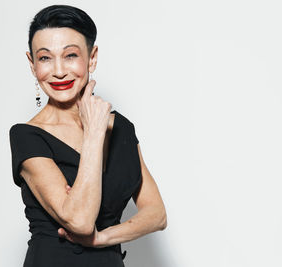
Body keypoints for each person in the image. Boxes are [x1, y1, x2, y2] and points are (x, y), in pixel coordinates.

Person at [9, 4, 167, 267]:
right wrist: (94, 132)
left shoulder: (121, 129)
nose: (58, 71)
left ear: (92, 57)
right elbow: (80, 221)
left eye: (70, 55)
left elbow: (157, 214)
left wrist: (102, 238)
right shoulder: (27, 136)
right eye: (45, 58)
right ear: (32, 63)